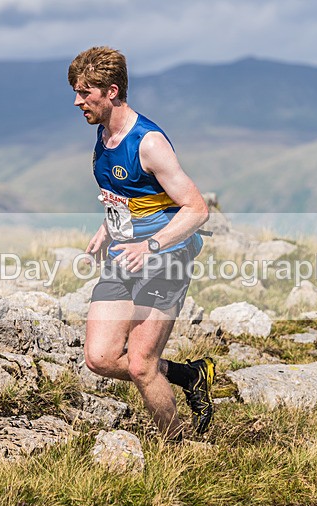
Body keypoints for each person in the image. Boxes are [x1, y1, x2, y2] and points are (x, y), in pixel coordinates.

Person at [68, 46, 214, 441]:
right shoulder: (103, 134)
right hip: (123, 257)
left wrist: (150, 247)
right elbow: (129, 194)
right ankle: (189, 375)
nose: (78, 101)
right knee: (100, 358)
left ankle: (178, 449)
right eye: (76, 92)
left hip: (166, 258)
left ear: (112, 91)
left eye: (85, 93)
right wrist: (108, 227)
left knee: (140, 364)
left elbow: (197, 209)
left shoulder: (148, 143)